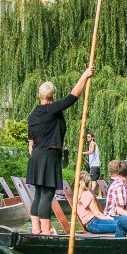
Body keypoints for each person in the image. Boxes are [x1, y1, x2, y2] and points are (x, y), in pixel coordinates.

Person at [26, 66, 93, 235]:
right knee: (47, 195)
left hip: (36, 156)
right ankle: (46, 231)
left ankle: (36, 230)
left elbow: (30, 143)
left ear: (39, 96)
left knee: (39, 194)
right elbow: (73, 96)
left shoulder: (33, 115)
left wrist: (36, 157)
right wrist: (85, 76)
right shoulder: (52, 109)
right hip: (49, 156)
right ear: (53, 96)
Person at [75, 170, 127, 236]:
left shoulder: (77, 196)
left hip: (92, 223)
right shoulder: (88, 194)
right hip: (93, 224)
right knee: (123, 224)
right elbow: (97, 213)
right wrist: (108, 218)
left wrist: (107, 217)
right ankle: (120, 242)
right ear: (89, 182)